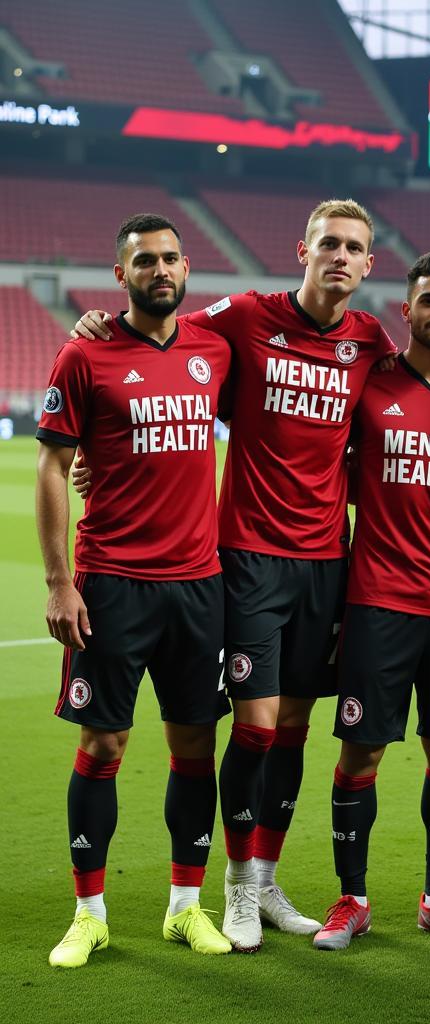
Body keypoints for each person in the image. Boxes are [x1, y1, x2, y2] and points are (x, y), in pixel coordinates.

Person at [71, 199, 396, 951]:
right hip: (245, 556)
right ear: (303, 250)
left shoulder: (369, 339)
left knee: (293, 727)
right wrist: (96, 326)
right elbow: (158, 346)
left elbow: (415, 394)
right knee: (251, 726)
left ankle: (267, 882)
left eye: (353, 247)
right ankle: (236, 888)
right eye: (327, 245)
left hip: (328, 562)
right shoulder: (245, 316)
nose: (339, 257)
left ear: (368, 264)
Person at [38, 214, 233, 967]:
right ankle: (89, 913)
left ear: (187, 268)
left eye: (171, 259)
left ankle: (186, 907)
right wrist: (61, 582)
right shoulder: (85, 353)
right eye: (145, 260)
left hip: (198, 585)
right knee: (104, 741)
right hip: (113, 582)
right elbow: (55, 466)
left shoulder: (214, 350)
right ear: (121, 275)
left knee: (194, 744)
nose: (160, 270)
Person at [313, 251, 430, 950]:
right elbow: (328, 462)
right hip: (379, 599)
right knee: (361, 755)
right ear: (408, 310)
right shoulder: (369, 382)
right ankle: (352, 899)